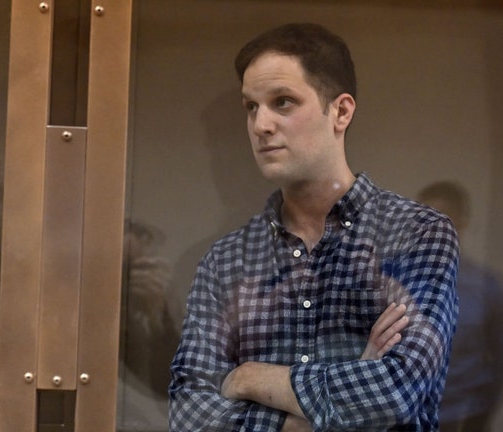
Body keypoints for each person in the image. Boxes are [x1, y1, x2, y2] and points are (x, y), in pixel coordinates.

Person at [168, 23, 459, 431]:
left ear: (340, 111)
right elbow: (188, 411)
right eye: (251, 106)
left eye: (282, 102)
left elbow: (397, 390)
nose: (260, 125)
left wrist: (249, 378)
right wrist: (329, 406)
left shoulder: (415, 233)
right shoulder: (227, 260)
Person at [418, 181, 503, 432]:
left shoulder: (488, 288)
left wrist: (480, 416)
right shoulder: (393, 283)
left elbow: (502, 362)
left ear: (460, 221)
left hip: (466, 418)